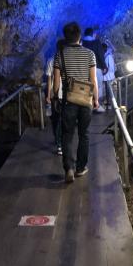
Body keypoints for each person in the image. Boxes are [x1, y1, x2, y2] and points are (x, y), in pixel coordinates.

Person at [53, 22, 99, 183]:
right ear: (79, 36)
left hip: (68, 100)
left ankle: (69, 169)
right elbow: (93, 79)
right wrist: (96, 99)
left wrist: (54, 98)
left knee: (67, 135)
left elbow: (56, 82)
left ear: (65, 37)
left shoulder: (60, 55)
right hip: (85, 99)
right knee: (84, 134)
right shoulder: (90, 54)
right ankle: (80, 168)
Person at [45, 40, 64, 155]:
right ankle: (60, 143)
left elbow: (49, 79)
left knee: (57, 119)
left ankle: (59, 143)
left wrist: (48, 95)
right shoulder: (68, 60)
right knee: (62, 119)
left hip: (55, 94)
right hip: (66, 94)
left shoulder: (51, 60)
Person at [82, 27, 107, 112]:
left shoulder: (82, 42)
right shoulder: (96, 42)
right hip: (96, 68)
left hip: (84, 69)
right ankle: (97, 105)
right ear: (92, 34)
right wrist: (104, 66)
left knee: (86, 87)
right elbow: (100, 55)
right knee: (98, 86)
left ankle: (87, 107)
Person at [102, 43, 115, 109]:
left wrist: (104, 73)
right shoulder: (107, 55)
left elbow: (110, 67)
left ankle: (109, 104)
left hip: (108, 76)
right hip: (108, 75)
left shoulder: (108, 56)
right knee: (107, 90)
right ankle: (108, 103)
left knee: (108, 90)